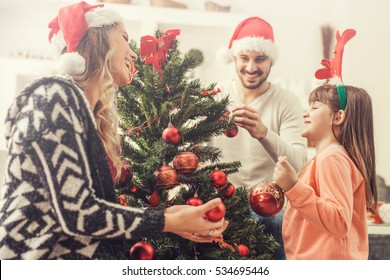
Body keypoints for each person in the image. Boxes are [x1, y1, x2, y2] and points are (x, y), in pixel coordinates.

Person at [0, 1, 228, 260]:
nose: (134, 54)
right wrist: (167, 220)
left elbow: (92, 213)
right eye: (124, 38)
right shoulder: (54, 96)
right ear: (98, 40)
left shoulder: (84, 113)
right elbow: (76, 213)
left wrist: (177, 219)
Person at [273, 29, 378, 259]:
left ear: (337, 117)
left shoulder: (332, 158)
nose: (306, 113)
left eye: (315, 107)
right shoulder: (328, 157)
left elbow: (339, 221)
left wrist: (293, 186)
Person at [211, 16, 307, 259]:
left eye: (260, 59)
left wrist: (264, 133)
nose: (251, 67)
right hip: (219, 205)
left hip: (268, 209)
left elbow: (299, 164)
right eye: (244, 58)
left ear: (271, 61)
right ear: (234, 58)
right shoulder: (213, 97)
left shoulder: (287, 102)